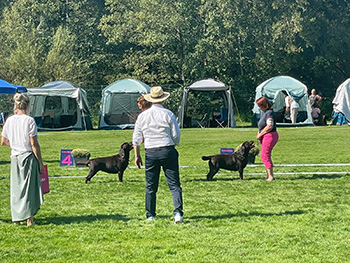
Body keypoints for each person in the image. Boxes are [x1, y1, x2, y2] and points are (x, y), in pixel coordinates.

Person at [133, 86, 183, 223]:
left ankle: (150, 214)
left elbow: (136, 138)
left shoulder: (142, 116)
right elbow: (176, 134)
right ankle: (178, 213)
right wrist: (174, 144)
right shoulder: (168, 114)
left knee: (150, 186)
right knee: (174, 185)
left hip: (151, 151)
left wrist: (137, 156)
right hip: (167, 149)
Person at [1, 93, 44, 226]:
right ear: (28, 105)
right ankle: (29, 218)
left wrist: (15, 144)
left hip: (15, 156)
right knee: (29, 188)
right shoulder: (29, 120)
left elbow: (3, 141)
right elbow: (33, 143)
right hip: (27, 156)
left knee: (16, 188)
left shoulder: (9, 120)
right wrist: (40, 163)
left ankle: (16, 218)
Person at [256, 96, 279, 181]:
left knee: (264, 155)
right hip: (266, 136)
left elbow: (269, 126)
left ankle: (270, 176)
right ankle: (268, 175)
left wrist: (260, 135)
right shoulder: (265, 113)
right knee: (265, 155)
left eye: (260, 106)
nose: (259, 108)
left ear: (264, 105)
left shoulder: (269, 113)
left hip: (270, 135)